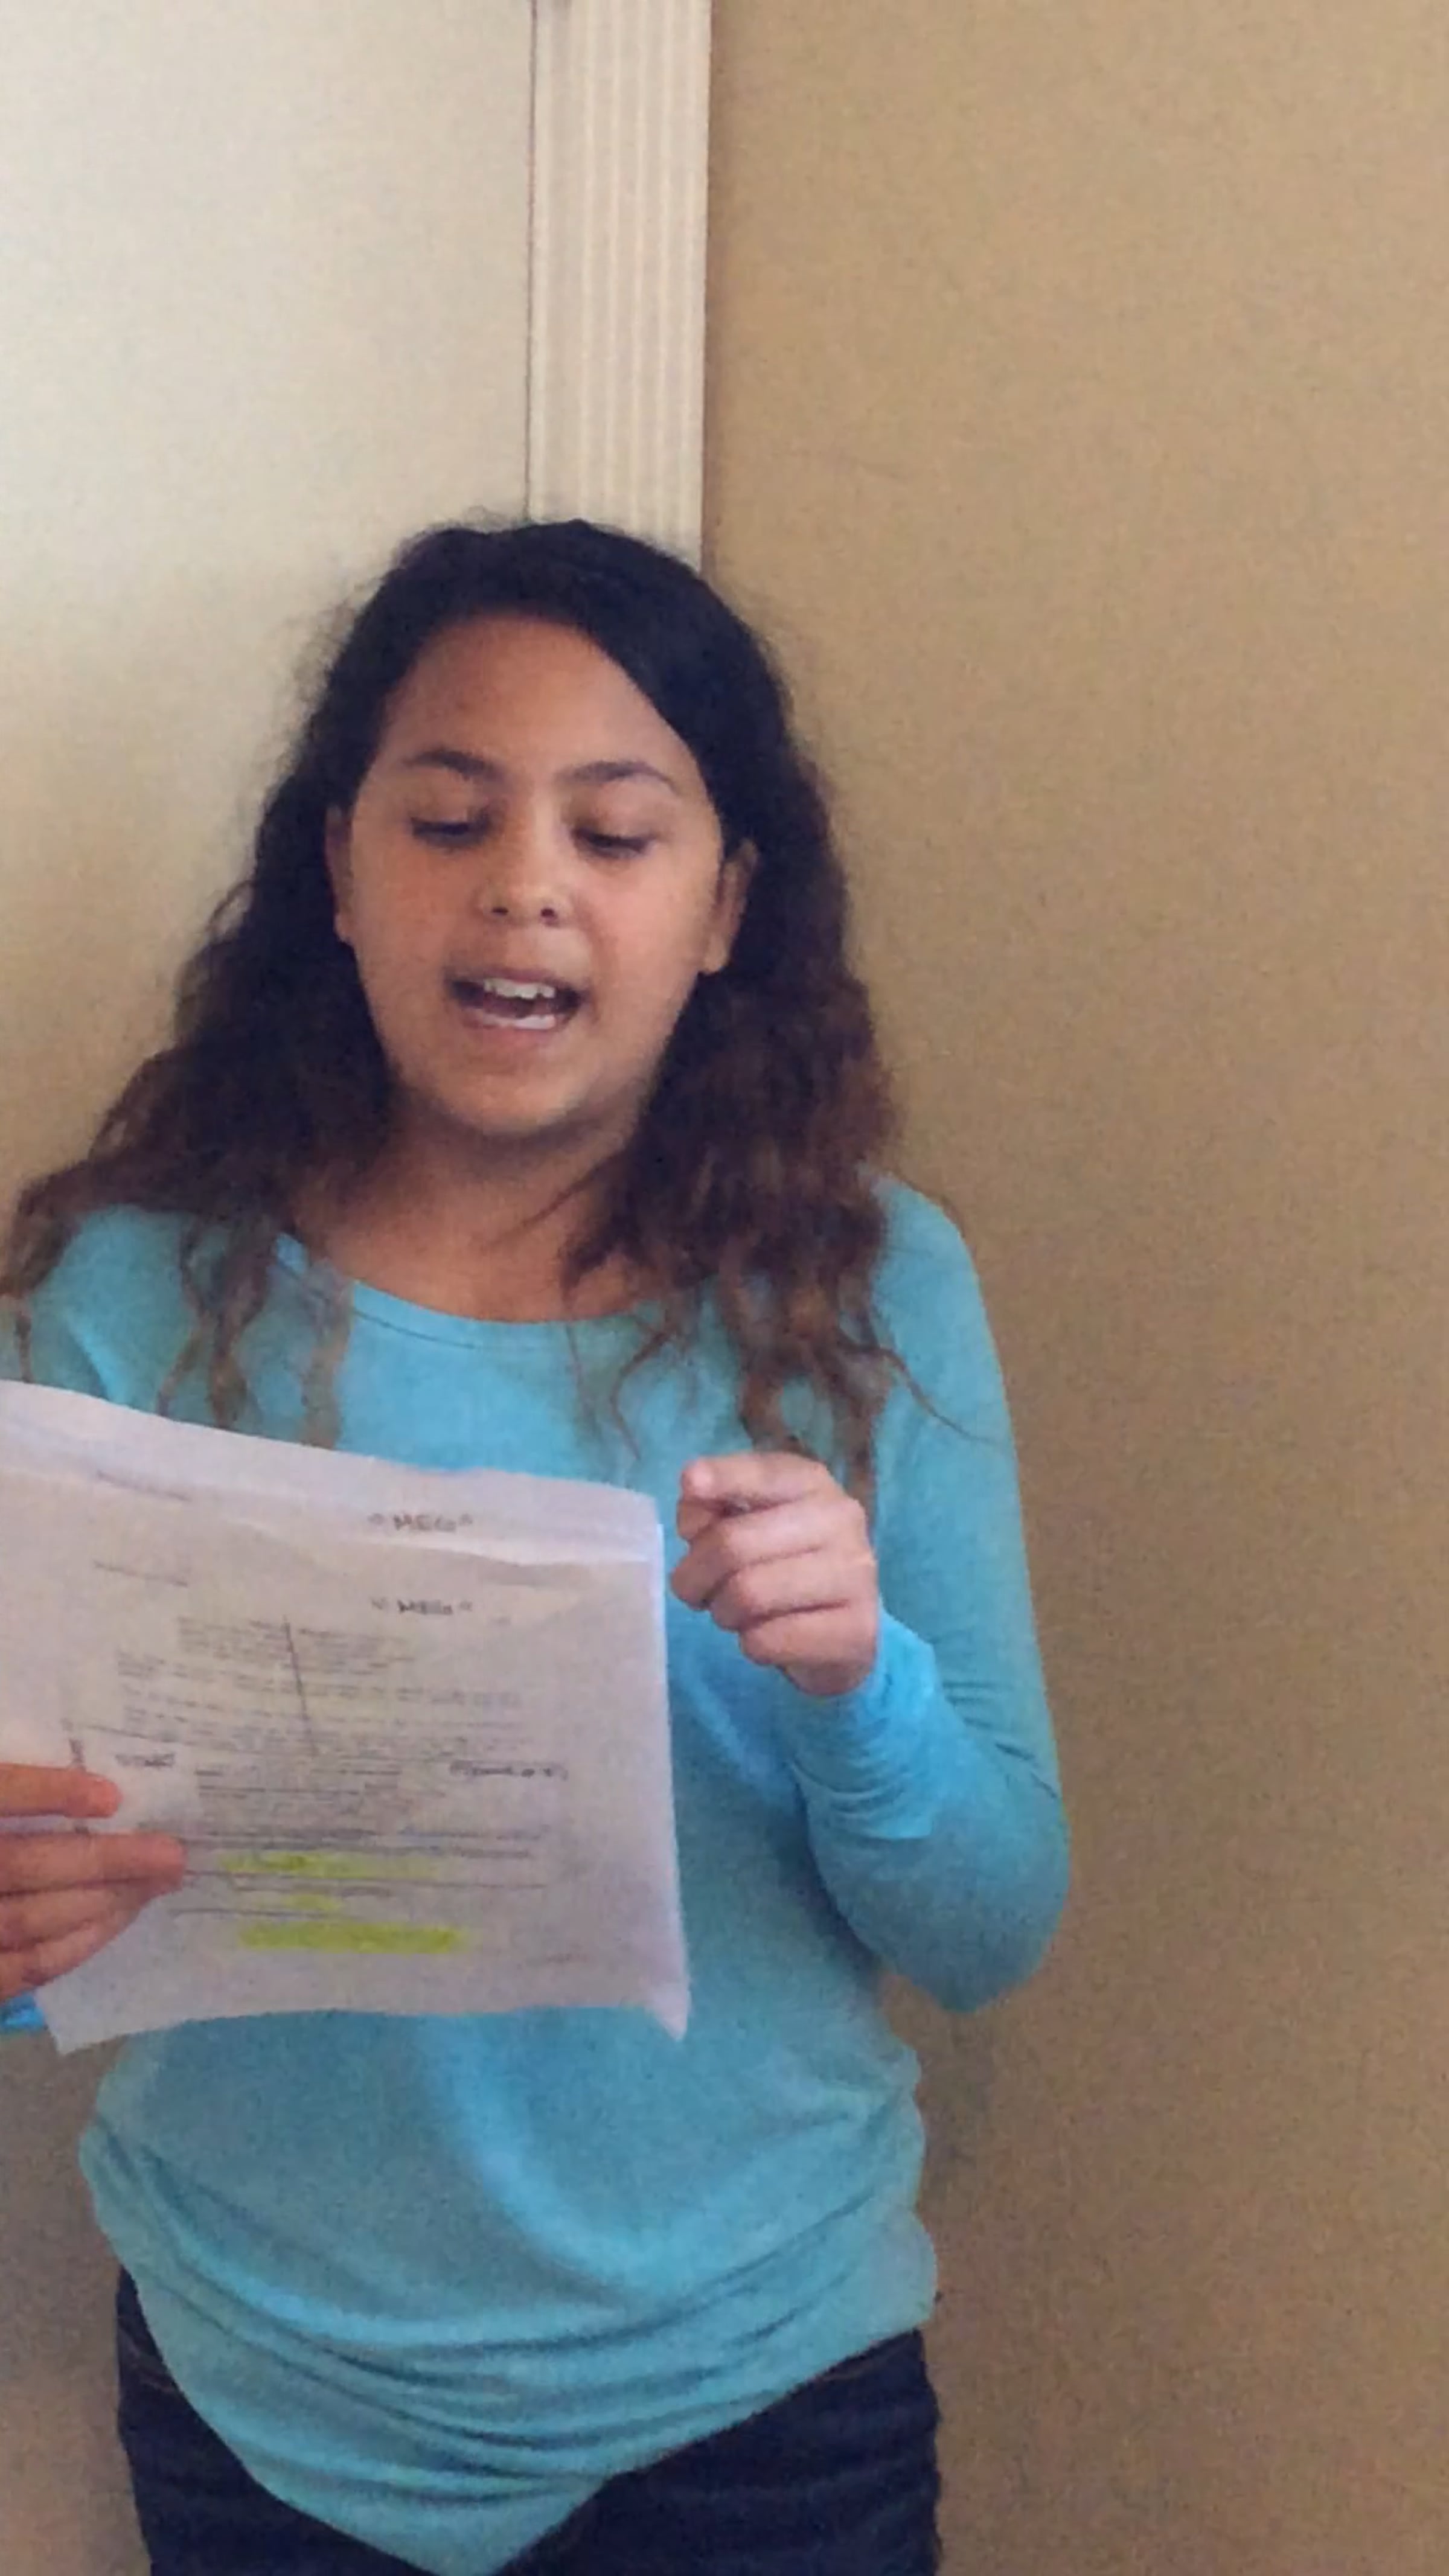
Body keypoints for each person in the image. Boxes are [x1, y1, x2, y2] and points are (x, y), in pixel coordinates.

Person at [0, 519, 1067, 2576]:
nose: (525, 882)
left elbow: (991, 1924)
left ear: (726, 903)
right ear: (337, 867)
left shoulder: (866, 1290)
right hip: (265, 2395)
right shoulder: (134, 1294)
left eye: (617, 829)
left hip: (759, 2396)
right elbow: (47, 1912)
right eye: (449, 817)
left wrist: (862, 1687)